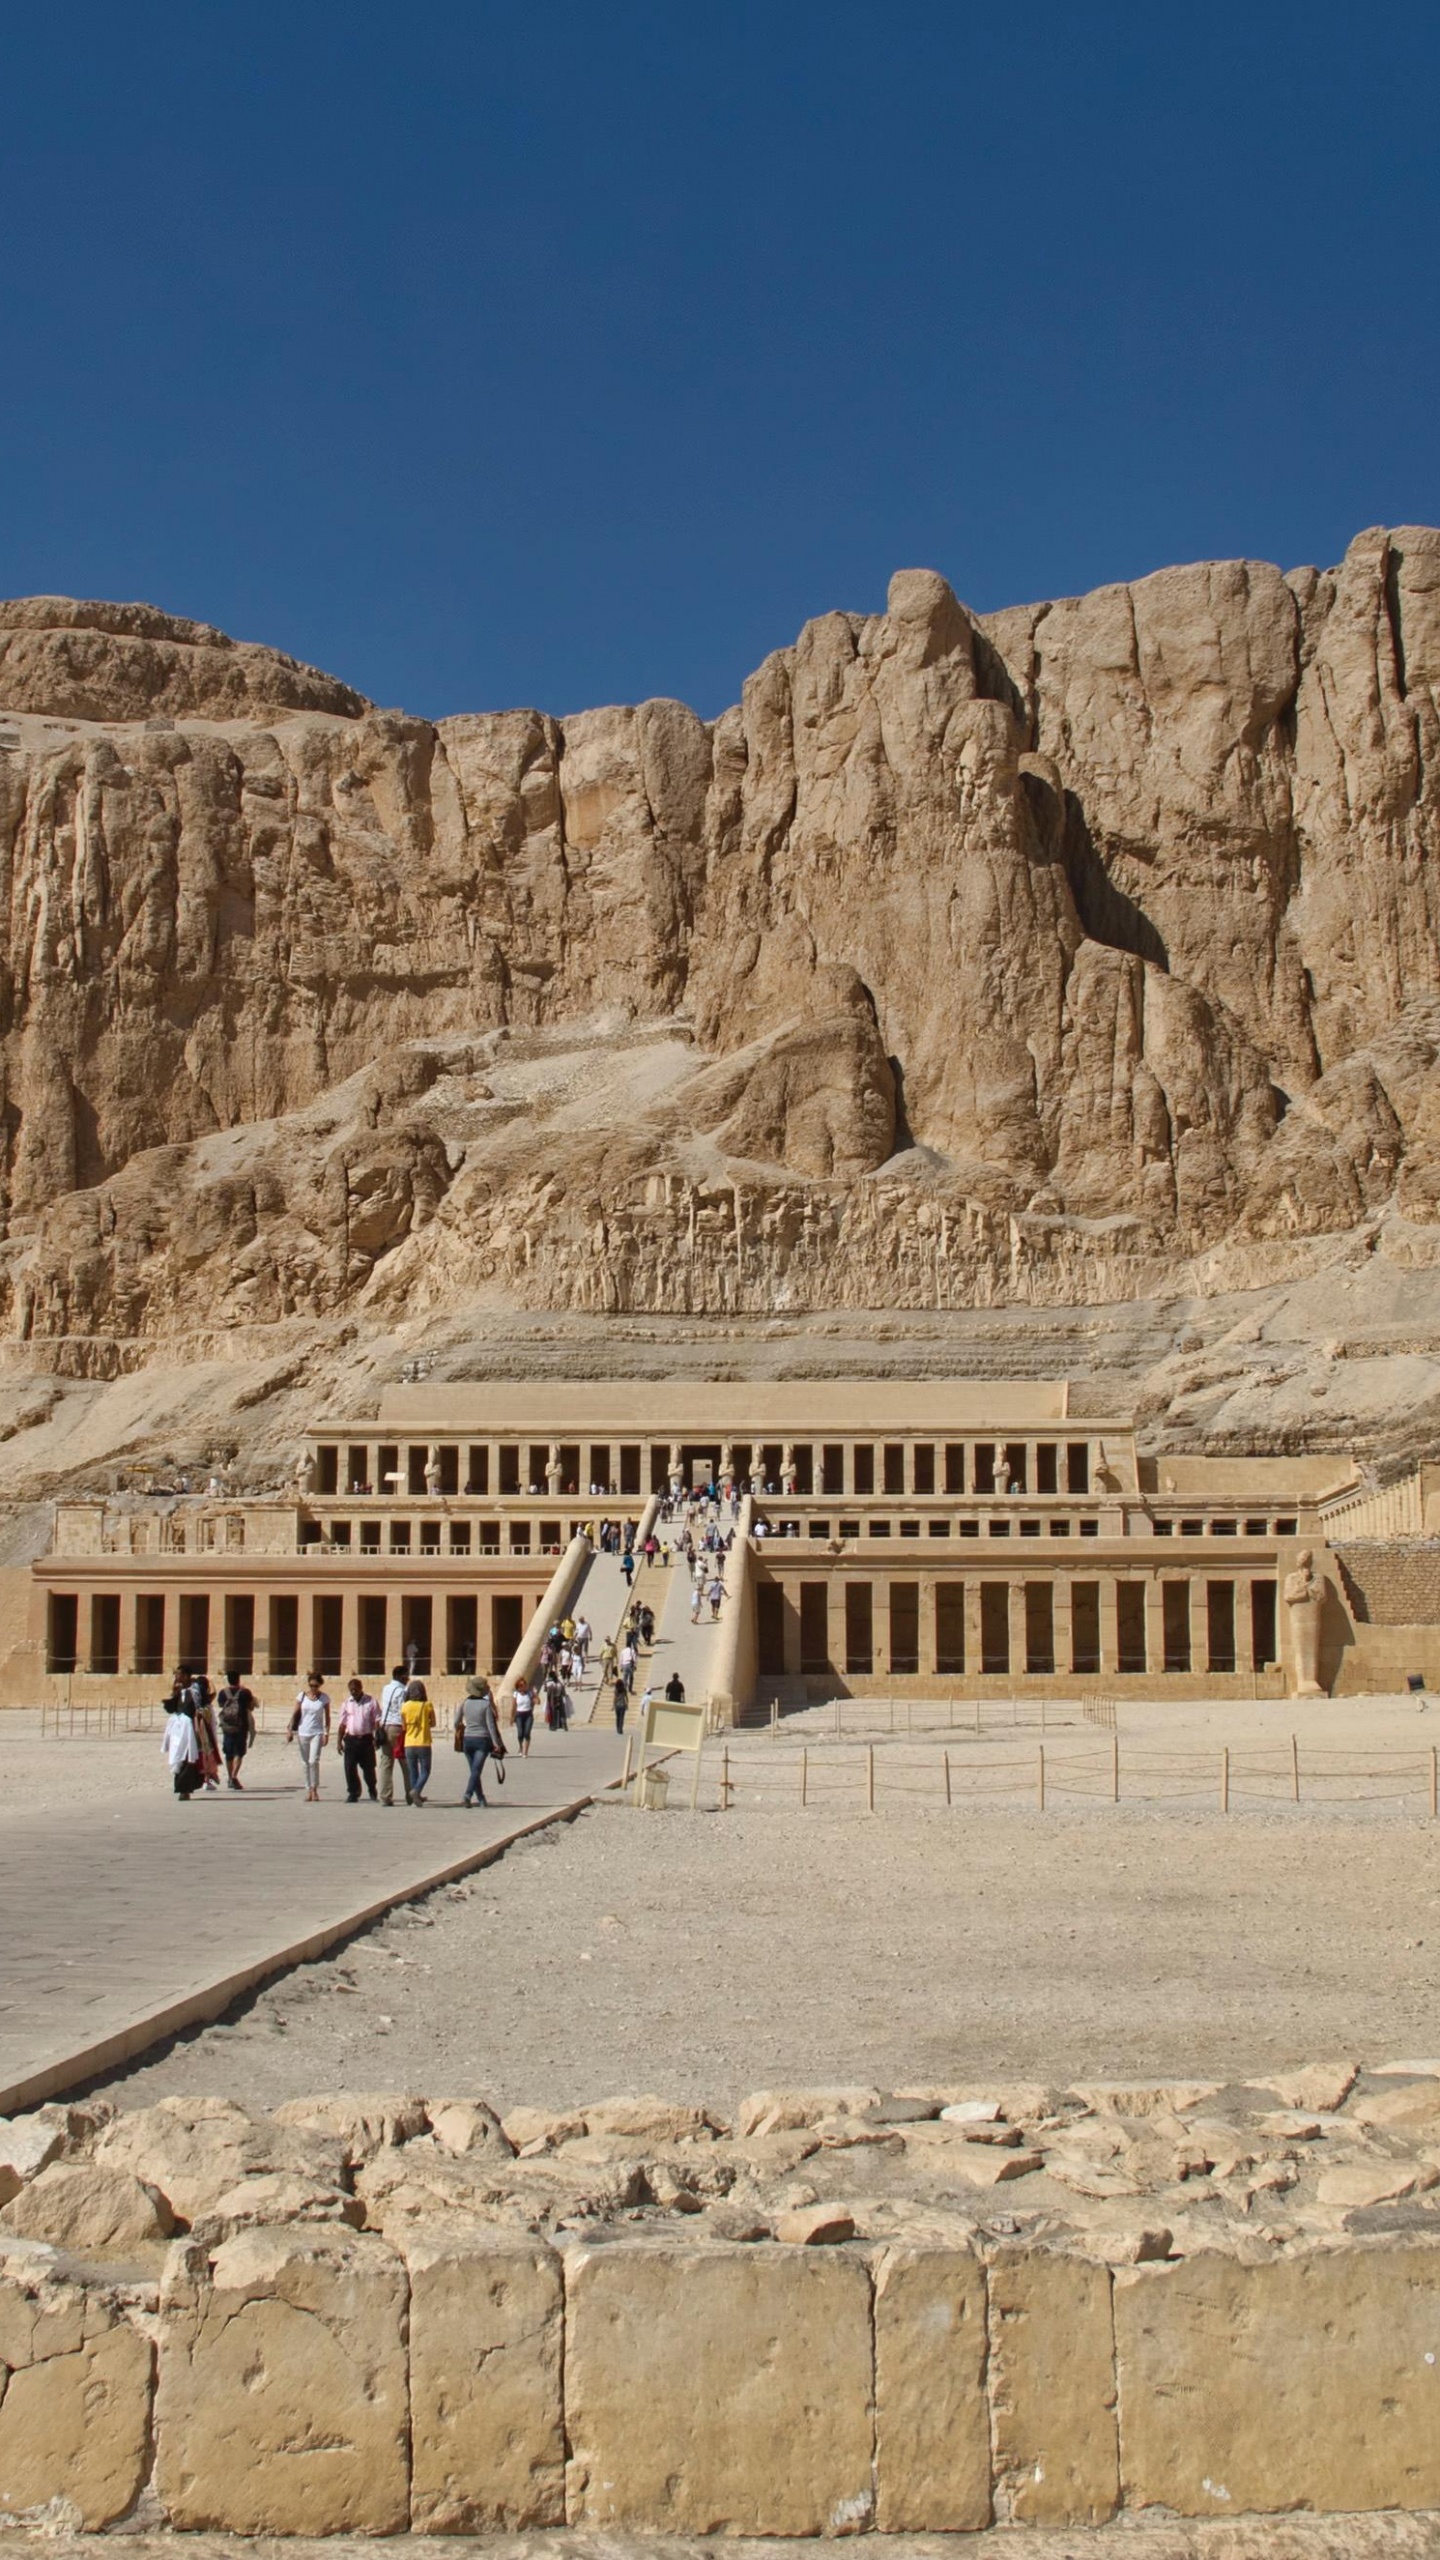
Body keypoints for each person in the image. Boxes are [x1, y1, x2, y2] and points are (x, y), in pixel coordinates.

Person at [455, 1675, 504, 1806]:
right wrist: (496, 1743)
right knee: (476, 1771)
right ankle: (467, 1795)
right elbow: (491, 1726)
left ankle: (481, 1799)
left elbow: (456, 1722)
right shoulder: (485, 1704)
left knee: (474, 1771)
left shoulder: (464, 1703)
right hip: (482, 1740)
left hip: (467, 1740)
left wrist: (465, 1728)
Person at [290, 1672, 331, 1802]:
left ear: (320, 1685)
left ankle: (315, 1788)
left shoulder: (324, 1698)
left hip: (317, 1732)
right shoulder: (301, 1696)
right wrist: (290, 1730)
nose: (313, 1688)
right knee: (305, 1762)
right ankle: (308, 1789)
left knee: (314, 1761)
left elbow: (327, 1717)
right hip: (303, 1732)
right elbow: (295, 1713)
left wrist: (326, 1732)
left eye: (316, 1685)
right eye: (311, 1685)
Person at [338, 1677, 380, 1802]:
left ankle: (372, 1788)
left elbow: (377, 1719)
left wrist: (377, 1736)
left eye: (356, 1689)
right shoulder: (346, 1704)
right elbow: (342, 1723)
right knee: (349, 1767)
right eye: (351, 1690)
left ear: (361, 1688)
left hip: (366, 1740)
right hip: (351, 1740)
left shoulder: (371, 1701)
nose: (353, 1692)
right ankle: (353, 1792)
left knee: (369, 1768)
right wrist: (339, 1742)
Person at [215, 1667, 257, 1790]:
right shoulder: (245, 1692)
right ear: (238, 1679)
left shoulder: (223, 1692)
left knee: (228, 1753)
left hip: (227, 1726)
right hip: (241, 1726)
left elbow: (221, 1705)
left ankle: (229, 1777)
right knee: (239, 1752)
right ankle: (234, 1776)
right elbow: (251, 1706)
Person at [377, 1664, 411, 1805]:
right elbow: (403, 1710)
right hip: (397, 1727)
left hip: (384, 1727)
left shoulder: (386, 1688)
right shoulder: (403, 1690)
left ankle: (385, 1796)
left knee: (386, 1762)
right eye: (406, 1676)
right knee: (406, 1762)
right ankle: (411, 1794)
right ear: (402, 1676)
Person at [402, 1678, 435, 1804]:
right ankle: (416, 1790)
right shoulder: (427, 1705)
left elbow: (403, 1727)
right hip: (423, 1742)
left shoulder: (405, 1706)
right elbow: (433, 1723)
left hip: (409, 1743)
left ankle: (416, 1795)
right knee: (425, 1771)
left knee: (413, 1771)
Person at [162, 1694, 202, 1799]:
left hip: (177, 1748)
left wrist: (165, 1747)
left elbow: (167, 1734)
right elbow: (190, 1736)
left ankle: (183, 1791)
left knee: (181, 1768)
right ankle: (184, 1791)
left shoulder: (175, 1719)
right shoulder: (184, 1719)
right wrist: (193, 1752)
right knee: (183, 1769)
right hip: (184, 1747)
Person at [512, 1675, 536, 1755]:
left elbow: (537, 1702)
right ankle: (520, 1747)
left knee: (527, 1733)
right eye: (521, 1685)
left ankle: (525, 1751)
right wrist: (511, 1717)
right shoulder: (516, 1694)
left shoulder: (529, 1693)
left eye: (524, 1685)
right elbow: (514, 1706)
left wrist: (535, 1694)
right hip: (519, 1715)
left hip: (528, 1715)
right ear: (518, 1686)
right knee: (520, 1734)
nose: (523, 1687)